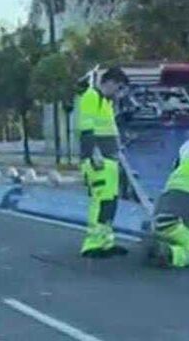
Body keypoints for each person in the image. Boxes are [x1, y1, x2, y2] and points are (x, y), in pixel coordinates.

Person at [77, 65, 129, 258]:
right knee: (101, 201)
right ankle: (92, 244)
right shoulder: (92, 97)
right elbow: (87, 128)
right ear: (110, 82)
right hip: (98, 159)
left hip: (109, 160)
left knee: (110, 201)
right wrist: (94, 154)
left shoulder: (106, 101)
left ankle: (106, 241)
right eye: (119, 87)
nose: (119, 92)